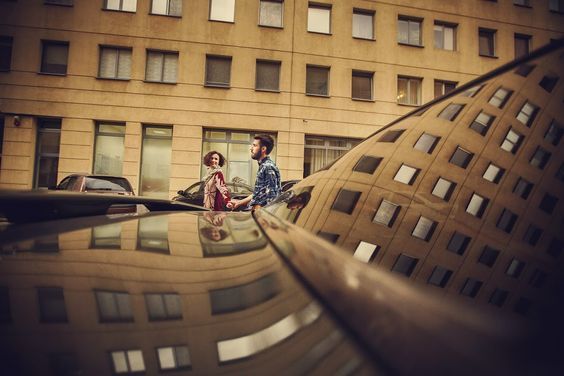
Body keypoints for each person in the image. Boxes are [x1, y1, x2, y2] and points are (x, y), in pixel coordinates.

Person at [228, 134, 281, 211]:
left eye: (254, 145)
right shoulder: (263, 166)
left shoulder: (268, 166)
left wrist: (258, 210)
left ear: (263, 149)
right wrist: (239, 203)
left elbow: (272, 196)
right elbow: (258, 193)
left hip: (263, 217)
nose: (251, 148)